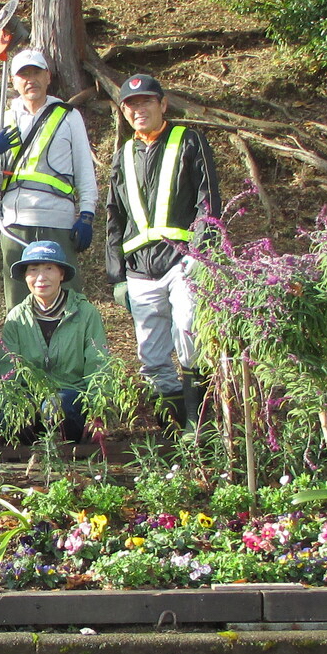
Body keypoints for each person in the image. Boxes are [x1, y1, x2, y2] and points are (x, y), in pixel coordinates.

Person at [103, 73, 221, 427]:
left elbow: (208, 200)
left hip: (183, 259)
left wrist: (202, 254)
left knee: (188, 337)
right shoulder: (124, 154)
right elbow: (114, 215)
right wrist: (116, 276)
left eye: (146, 102)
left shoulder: (189, 141)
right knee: (151, 355)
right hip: (140, 268)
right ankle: (174, 431)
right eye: (132, 105)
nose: (139, 110)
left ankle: (198, 425)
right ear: (124, 112)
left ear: (163, 105)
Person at [0, 45, 98, 308]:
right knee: (19, 303)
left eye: (36, 73)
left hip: (58, 221)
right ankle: (18, 351)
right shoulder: (3, 118)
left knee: (68, 300)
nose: (30, 80)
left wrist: (86, 215)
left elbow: (85, 171)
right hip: (15, 223)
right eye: (23, 75)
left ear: (48, 77)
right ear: (14, 81)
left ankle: (71, 349)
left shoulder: (68, 116)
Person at [0, 240, 114, 445]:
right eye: (33, 269)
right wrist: (4, 415)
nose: (41, 277)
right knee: (9, 413)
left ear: (61, 274)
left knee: (56, 405)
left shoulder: (85, 313)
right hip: (31, 400)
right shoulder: (16, 317)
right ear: (25, 276)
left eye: (49, 268)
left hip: (71, 400)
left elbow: (99, 365)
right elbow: (6, 371)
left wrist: (98, 413)